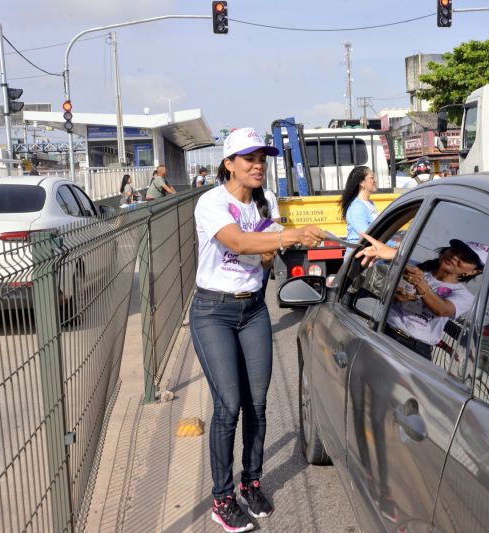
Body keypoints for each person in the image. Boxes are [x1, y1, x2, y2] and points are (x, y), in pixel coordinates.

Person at [190, 127, 325, 533]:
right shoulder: (211, 202)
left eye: (262, 159)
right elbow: (237, 243)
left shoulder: (265, 205)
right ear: (228, 163)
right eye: (248, 158)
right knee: (229, 405)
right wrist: (287, 235)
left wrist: (274, 245)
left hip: (252, 310)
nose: (257, 165)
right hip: (213, 311)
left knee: (258, 404)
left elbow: (263, 259)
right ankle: (222, 497)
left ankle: (251, 483)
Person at [356, 233, 485, 359]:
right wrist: (394, 295)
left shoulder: (464, 296)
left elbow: (442, 309)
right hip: (383, 330)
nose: (455, 256)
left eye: (465, 259)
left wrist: (419, 282)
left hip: (414, 349)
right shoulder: (415, 267)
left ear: (474, 271)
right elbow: (380, 274)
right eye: (455, 250)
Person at [340, 165, 378, 244]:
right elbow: (367, 235)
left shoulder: (370, 203)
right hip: (359, 254)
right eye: (372, 178)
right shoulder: (356, 207)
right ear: (362, 182)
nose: (375, 180)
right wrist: (393, 244)